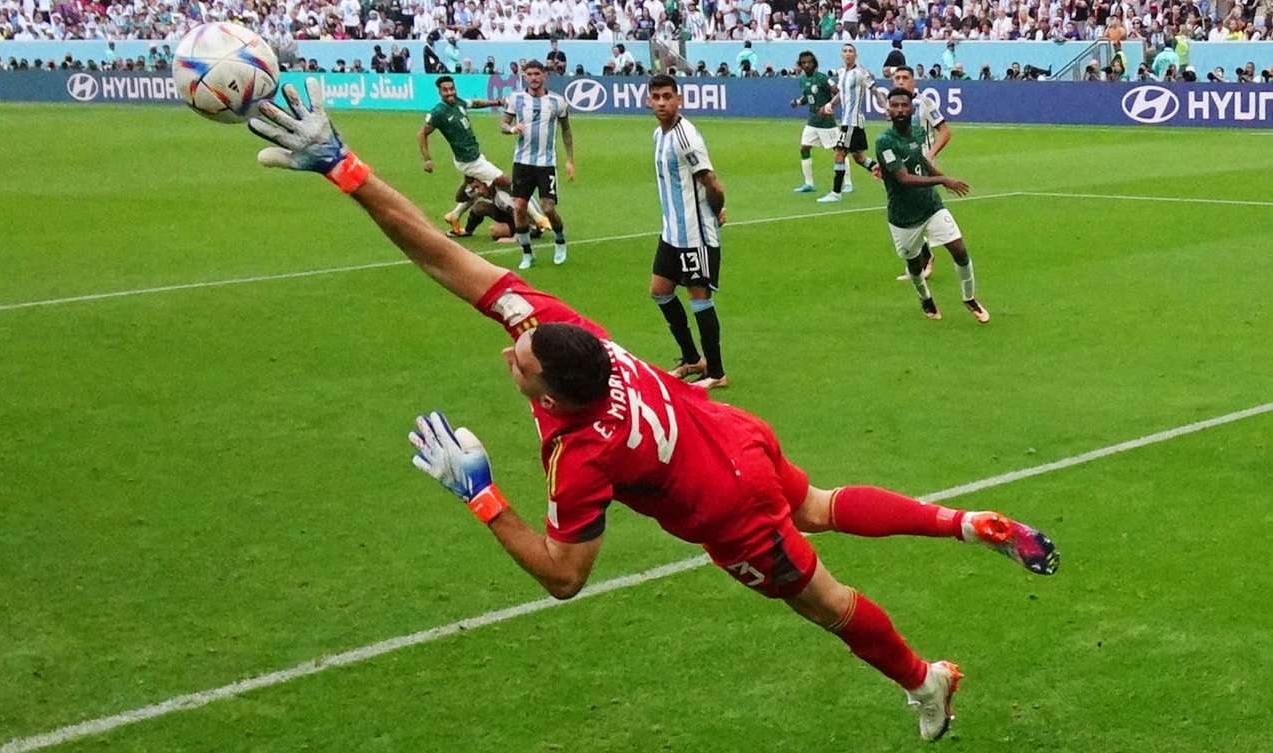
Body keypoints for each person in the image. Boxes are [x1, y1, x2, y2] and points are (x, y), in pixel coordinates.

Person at [244, 78, 1059, 743]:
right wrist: (346, 169)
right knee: (815, 503)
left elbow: (566, 577)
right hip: (735, 437)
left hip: (730, 509)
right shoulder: (569, 332)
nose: (510, 350)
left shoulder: (578, 452)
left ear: (552, 394)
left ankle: (927, 680)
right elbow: (439, 251)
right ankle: (965, 522)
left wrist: (482, 495)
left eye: (519, 361)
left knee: (832, 603)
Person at [876, 88, 989, 323]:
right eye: (894, 106)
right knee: (915, 265)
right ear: (888, 110)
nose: (899, 110)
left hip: (931, 206)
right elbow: (904, 179)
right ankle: (925, 298)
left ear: (911, 108)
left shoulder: (917, 133)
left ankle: (970, 298)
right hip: (904, 216)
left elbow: (922, 164)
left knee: (959, 249)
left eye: (903, 105)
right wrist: (943, 179)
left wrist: (942, 178)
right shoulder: (884, 142)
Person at [648, 75, 729, 390]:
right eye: (656, 97)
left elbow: (712, 182)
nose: (662, 103)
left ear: (678, 99)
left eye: (667, 96)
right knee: (659, 291)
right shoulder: (659, 135)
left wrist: (715, 209)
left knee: (699, 298)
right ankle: (692, 358)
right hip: (672, 232)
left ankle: (716, 372)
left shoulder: (686, 137)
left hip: (695, 235)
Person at [418, 76, 551, 237]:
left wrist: (497, 102)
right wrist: (427, 159)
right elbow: (422, 134)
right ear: (439, 92)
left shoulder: (458, 103)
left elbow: (476, 103)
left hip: (473, 157)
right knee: (507, 182)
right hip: (470, 161)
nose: (449, 92)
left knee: (475, 190)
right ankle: (538, 218)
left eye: (451, 89)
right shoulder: (438, 112)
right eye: (445, 90)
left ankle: (454, 215)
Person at [501, 60, 575, 268]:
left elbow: (566, 130)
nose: (533, 78)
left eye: (537, 74)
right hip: (522, 162)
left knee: (548, 208)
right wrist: (512, 129)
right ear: (525, 76)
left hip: (546, 163)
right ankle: (527, 253)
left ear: (544, 76)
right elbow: (503, 124)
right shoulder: (516, 99)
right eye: (530, 74)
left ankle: (560, 240)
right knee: (519, 207)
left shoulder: (557, 102)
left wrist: (570, 160)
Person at [890, 64, 951, 282]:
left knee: (919, 213)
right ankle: (923, 258)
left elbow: (944, 131)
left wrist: (931, 154)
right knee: (908, 215)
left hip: (922, 169)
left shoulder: (924, 103)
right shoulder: (896, 106)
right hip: (901, 169)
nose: (900, 81)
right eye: (897, 77)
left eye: (905, 77)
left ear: (913, 81)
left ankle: (926, 259)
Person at [820, 43, 885, 204]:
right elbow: (842, 94)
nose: (848, 54)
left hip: (852, 121)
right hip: (847, 121)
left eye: (851, 51)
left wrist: (886, 107)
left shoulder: (861, 72)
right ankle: (888, 175)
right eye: (845, 51)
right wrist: (830, 104)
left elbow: (876, 91)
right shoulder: (842, 72)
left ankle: (836, 192)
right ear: (841, 55)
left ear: (856, 55)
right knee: (859, 158)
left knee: (840, 153)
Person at [790, 50, 837, 195]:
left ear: (814, 64)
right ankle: (809, 184)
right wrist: (798, 102)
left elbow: (837, 91)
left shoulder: (822, 78)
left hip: (826, 122)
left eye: (809, 62)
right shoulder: (803, 80)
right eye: (803, 63)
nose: (806, 65)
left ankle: (847, 184)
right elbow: (807, 97)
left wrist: (830, 106)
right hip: (812, 121)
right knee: (804, 148)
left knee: (839, 151)